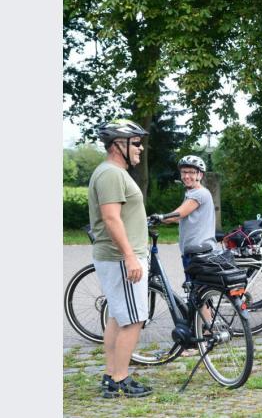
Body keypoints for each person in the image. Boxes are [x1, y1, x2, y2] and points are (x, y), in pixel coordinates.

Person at [88, 119, 153, 398]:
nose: (140, 148)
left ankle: (111, 375)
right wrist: (130, 257)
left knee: (118, 317)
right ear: (118, 145)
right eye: (136, 143)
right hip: (120, 258)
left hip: (118, 257)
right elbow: (111, 218)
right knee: (133, 320)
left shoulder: (112, 172)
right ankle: (120, 379)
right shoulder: (111, 174)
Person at [149, 155, 216, 351]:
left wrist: (160, 217)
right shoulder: (191, 193)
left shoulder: (199, 193)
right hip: (193, 251)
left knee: (198, 294)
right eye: (184, 172)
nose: (187, 176)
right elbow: (182, 216)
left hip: (198, 252)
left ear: (200, 175)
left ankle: (205, 335)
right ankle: (206, 330)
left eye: (191, 172)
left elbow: (179, 214)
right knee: (198, 292)